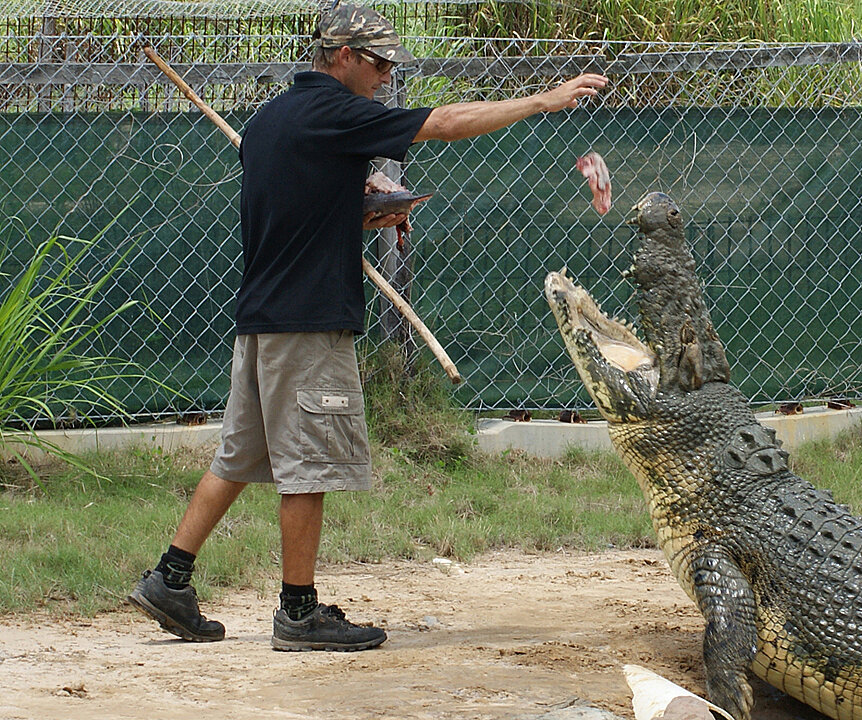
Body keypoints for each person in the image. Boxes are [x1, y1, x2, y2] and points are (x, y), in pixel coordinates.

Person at [127, 3, 608, 652]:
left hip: (262, 320)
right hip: (308, 323)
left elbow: (305, 205)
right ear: (343, 56)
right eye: (378, 64)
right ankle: (299, 614)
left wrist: (372, 206)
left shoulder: (272, 119)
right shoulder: (336, 112)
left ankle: (170, 579)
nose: (385, 77)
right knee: (309, 467)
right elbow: (444, 122)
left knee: (239, 456)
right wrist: (542, 101)